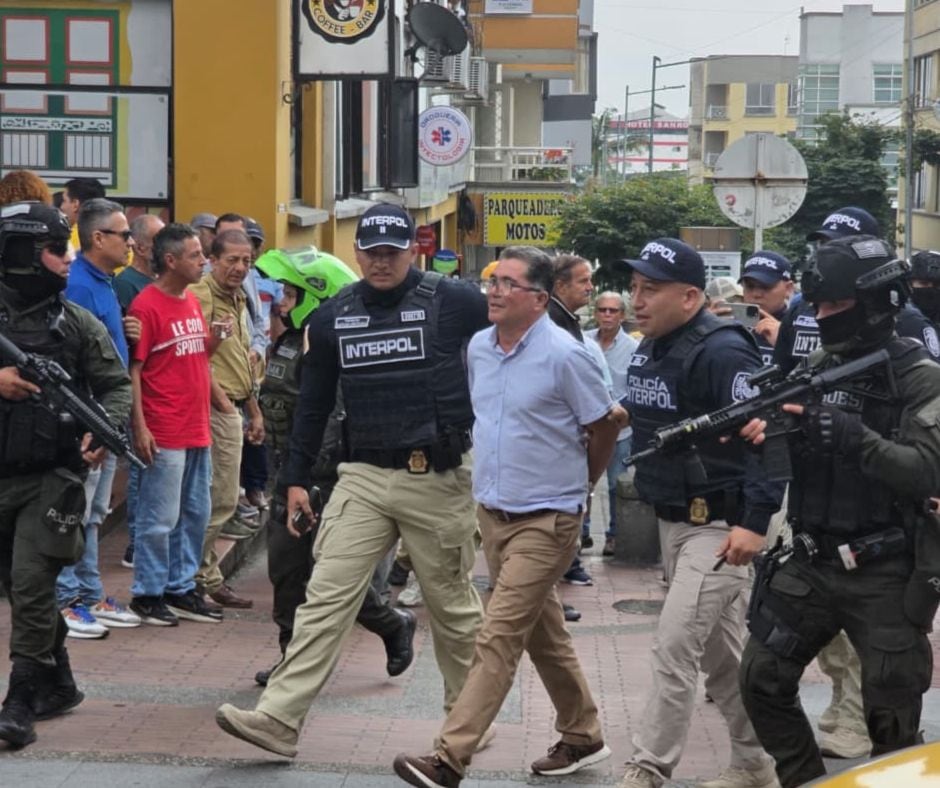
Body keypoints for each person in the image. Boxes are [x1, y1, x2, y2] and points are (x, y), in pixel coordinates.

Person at [214, 202, 486, 758]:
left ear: (413, 250)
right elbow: (312, 407)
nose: (381, 262)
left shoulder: (454, 302)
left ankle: (467, 722)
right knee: (324, 597)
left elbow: (519, 339)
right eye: (372, 251)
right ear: (357, 252)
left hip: (435, 474)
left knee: (454, 608)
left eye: (393, 251)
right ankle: (279, 720)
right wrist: (293, 480)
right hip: (361, 475)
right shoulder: (332, 316)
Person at [393, 246, 619, 788]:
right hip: (494, 514)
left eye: (508, 284)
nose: (494, 291)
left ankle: (449, 757)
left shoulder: (567, 355)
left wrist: (582, 483)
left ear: (539, 299)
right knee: (546, 638)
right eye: (493, 282)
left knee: (497, 634)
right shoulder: (480, 348)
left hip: (549, 518)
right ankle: (583, 735)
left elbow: (606, 422)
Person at [738, 235, 940, 788]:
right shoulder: (823, 363)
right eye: (818, 305)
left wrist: (856, 438)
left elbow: (929, 469)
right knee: (760, 680)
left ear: (879, 304)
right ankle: (805, 781)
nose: (821, 317)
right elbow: (801, 442)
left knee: (892, 719)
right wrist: (775, 433)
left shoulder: (921, 377)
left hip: (884, 569)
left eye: (836, 307)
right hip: (810, 560)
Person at [616, 238, 782, 788]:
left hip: (719, 523)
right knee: (723, 662)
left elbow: (768, 437)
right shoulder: (652, 345)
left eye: (651, 290)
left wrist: (754, 523)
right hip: (673, 519)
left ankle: (648, 767)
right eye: (635, 288)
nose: (637, 300)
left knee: (674, 642)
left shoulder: (723, 351)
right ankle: (757, 761)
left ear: (690, 297)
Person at [252, 246, 416, 686]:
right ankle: (290, 660)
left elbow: (330, 421)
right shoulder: (288, 342)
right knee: (286, 572)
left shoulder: (341, 353)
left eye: (291, 293)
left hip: (325, 481)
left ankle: (392, 624)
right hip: (287, 475)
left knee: (333, 577)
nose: (282, 301)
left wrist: (307, 479)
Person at [0, 201, 131, 747]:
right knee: (15, 585)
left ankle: (20, 698)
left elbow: (117, 386)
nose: (67, 259)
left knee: (31, 586)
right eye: (56, 250)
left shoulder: (73, 321)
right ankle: (61, 682)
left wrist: (104, 431)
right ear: (23, 255)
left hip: (53, 475)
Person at [56, 198, 142, 638]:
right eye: (123, 234)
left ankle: (88, 592)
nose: (130, 241)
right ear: (98, 238)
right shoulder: (79, 285)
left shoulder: (106, 282)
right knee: (77, 510)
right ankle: (66, 598)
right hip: (89, 416)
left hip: (109, 416)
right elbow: (74, 356)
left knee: (95, 513)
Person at [127, 223, 217, 626]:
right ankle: (148, 592)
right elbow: (136, 370)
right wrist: (140, 427)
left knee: (195, 512)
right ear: (170, 260)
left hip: (197, 426)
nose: (204, 261)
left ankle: (180, 586)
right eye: (196, 255)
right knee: (158, 518)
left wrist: (213, 341)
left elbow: (190, 357)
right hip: (164, 429)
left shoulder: (191, 301)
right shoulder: (146, 306)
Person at [189, 229, 263, 608]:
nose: (239, 268)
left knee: (220, 500)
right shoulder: (200, 295)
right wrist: (225, 407)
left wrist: (253, 410)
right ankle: (196, 577)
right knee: (218, 500)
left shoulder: (238, 298)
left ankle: (204, 575)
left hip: (236, 403)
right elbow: (196, 358)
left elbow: (241, 358)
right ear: (212, 259)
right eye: (231, 260)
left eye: (246, 261)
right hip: (214, 408)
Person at [547, 254, 596, 586]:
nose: (590, 287)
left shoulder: (566, 320)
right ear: (560, 286)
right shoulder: (553, 324)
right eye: (584, 280)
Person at [586, 291, 638, 557]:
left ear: (623, 315)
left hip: (620, 428)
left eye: (613, 311)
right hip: (589, 427)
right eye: (602, 310)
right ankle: (581, 534)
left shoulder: (633, 347)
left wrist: (617, 410)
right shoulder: (583, 341)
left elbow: (636, 387)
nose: (607, 315)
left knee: (616, 484)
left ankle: (614, 536)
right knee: (584, 482)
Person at [739, 251, 794, 366]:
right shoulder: (730, 325)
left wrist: (786, 342)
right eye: (749, 286)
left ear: (788, 289)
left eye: (765, 286)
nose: (756, 294)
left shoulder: (801, 327)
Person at [113, 213, 163, 312]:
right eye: (161, 241)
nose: (168, 247)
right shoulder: (125, 284)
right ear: (140, 248)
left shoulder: (163, 280)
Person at [59, 178, 104, 253]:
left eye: (64, 201)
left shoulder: (66, 240)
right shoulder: (118, 237)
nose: (61, 207)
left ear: (75, 204)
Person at [909, 249, 940, 329]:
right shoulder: (897, 321)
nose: (930, 289)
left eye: (937, 285)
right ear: (910, 284)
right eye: (924, 283)